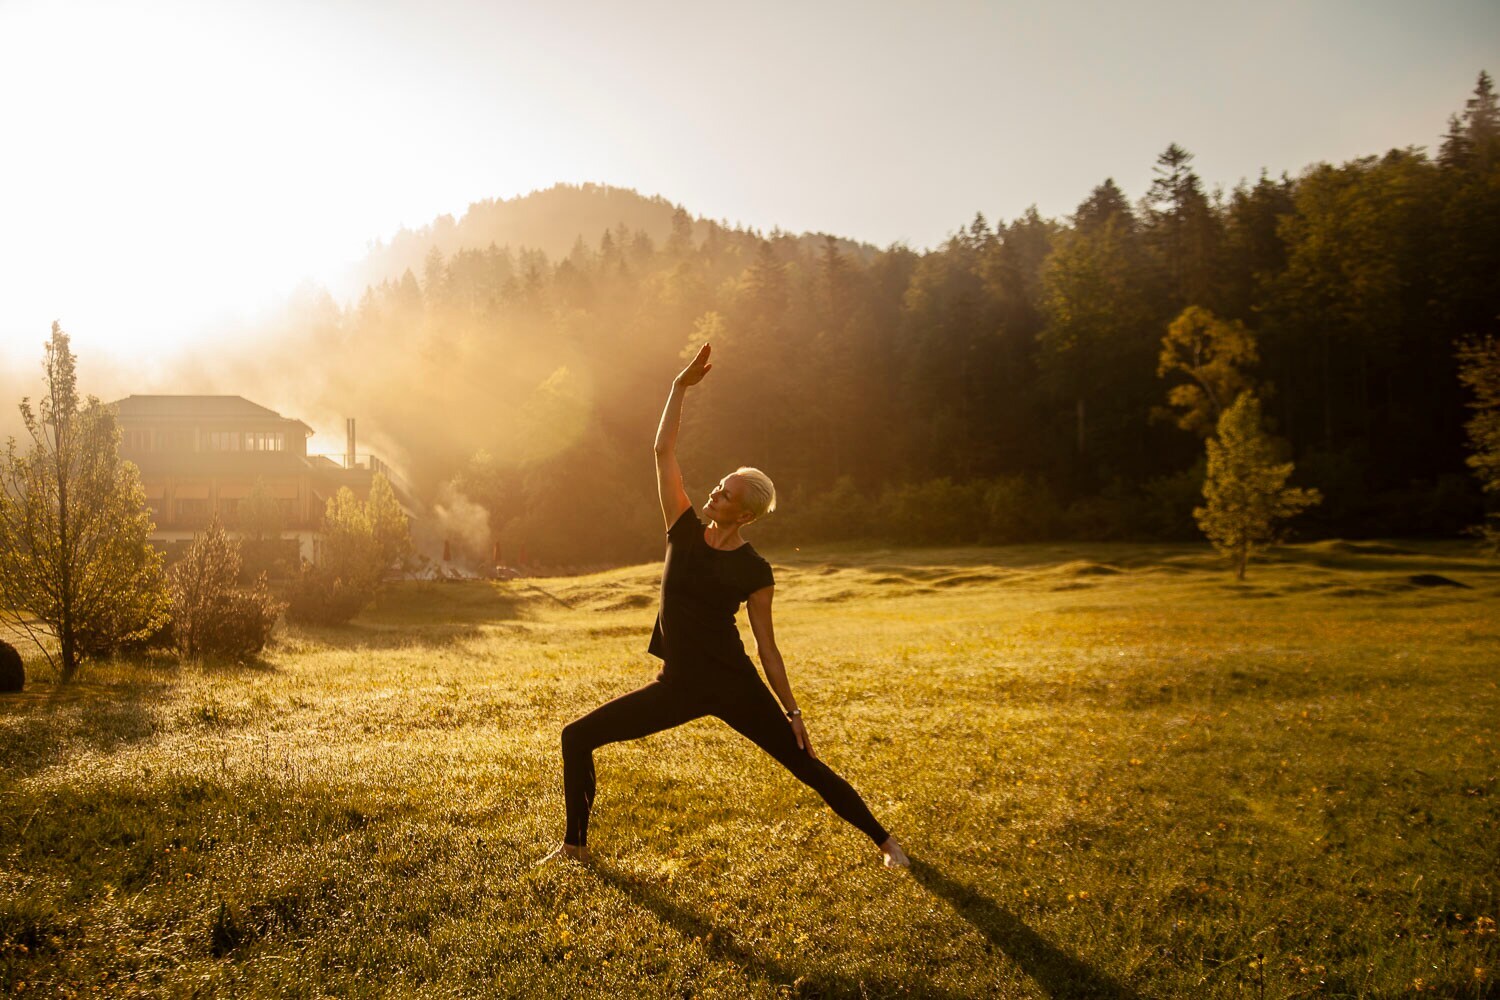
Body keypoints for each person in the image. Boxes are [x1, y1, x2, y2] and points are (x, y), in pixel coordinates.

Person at [550, 343, 909, 868]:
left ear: (743, 514)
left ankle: (887, 843)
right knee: (577, 736)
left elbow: (767, 647)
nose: (713, 495)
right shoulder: (682, 529)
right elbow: (662, 452)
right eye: (717, 487)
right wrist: (678, 389)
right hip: (676, 686)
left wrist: (792, 711)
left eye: (724, 495)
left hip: (734, 685)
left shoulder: (755, 570)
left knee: (805, 763)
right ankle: (575, 847)